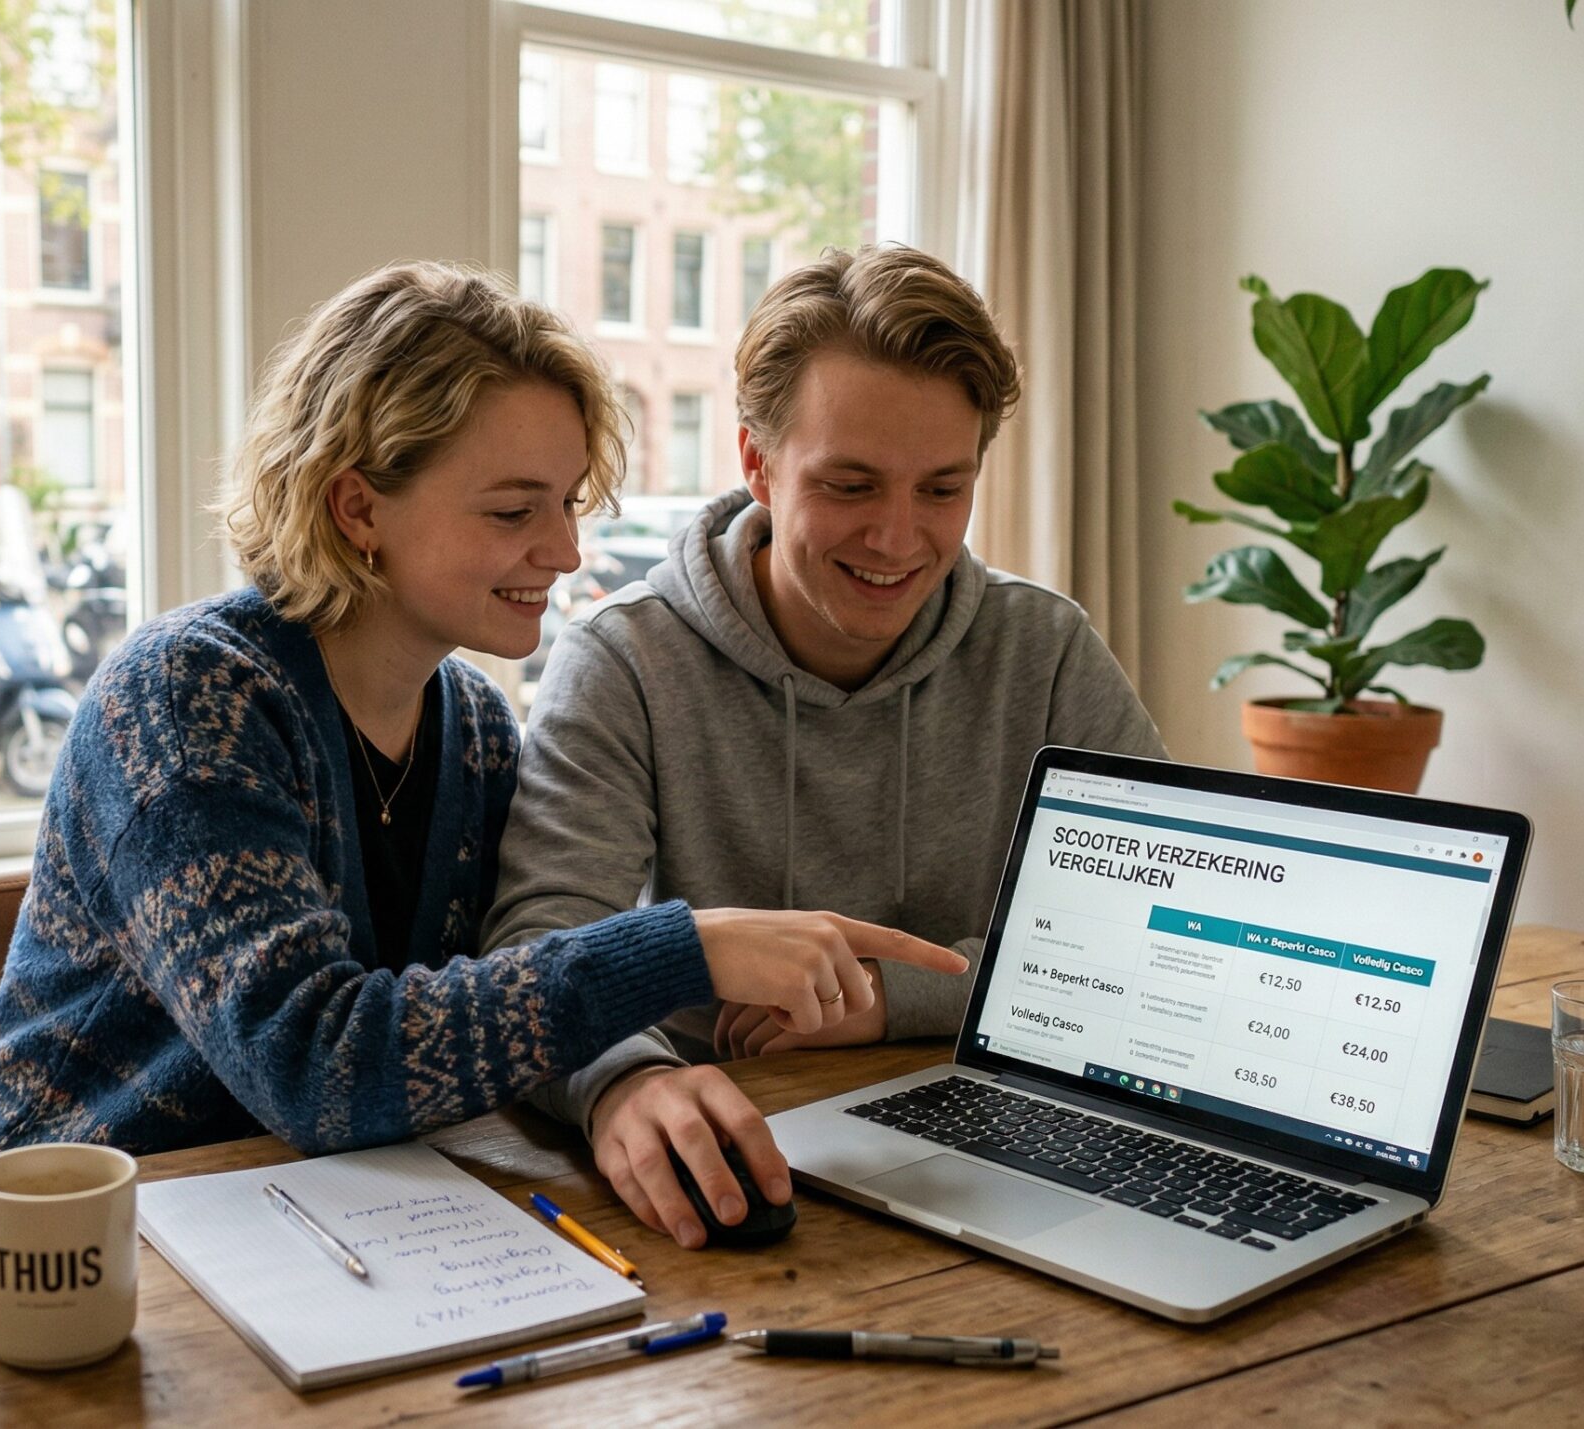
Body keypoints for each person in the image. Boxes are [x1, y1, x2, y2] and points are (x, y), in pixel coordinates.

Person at [0, 260, 966, 1188]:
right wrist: (682, 951)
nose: (562, 553)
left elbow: (489, 1013)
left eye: (567, 504)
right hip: (39, 1241)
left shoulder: (471, 729)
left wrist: (623, 1080)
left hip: (305, 1221)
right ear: (358, 508)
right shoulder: (185, 697)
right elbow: (315, 1064)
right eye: (513, 511)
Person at [482, 245, 1167, 1249]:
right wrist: (621, 1083)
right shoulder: (625, 659)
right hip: (727, 1168)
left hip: (1005, 1161)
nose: (897, 539)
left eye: (942, 490)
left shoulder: (1046, 649)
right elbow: (536, 945)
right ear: (756, 461)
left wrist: (888, 998)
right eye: (849, 485)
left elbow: (1157, 933)